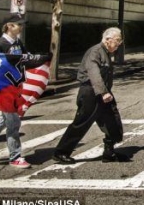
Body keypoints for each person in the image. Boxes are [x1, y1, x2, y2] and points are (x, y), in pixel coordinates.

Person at [0, 15, 50, 168]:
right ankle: (15, 157)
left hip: (15, 87)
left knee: (2, 122)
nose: (21, 27)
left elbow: (26, 59)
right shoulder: (0, 44)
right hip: (4, 89)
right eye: (19, 25)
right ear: (9, 26)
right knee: (13, 122)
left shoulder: (18, 42)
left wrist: (42, 59)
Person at [53, 28, 128, 164]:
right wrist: (103, 92)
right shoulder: (95, 51)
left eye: (120, 41)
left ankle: (109, 152)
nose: (119, 44)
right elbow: (94, 73)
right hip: (91, 92)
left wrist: (105, 92)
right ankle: (61, 152)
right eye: (117, 40)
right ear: (107, 39)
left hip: (102, 91)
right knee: (81, 123)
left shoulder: (105, 52)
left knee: (113, 120)